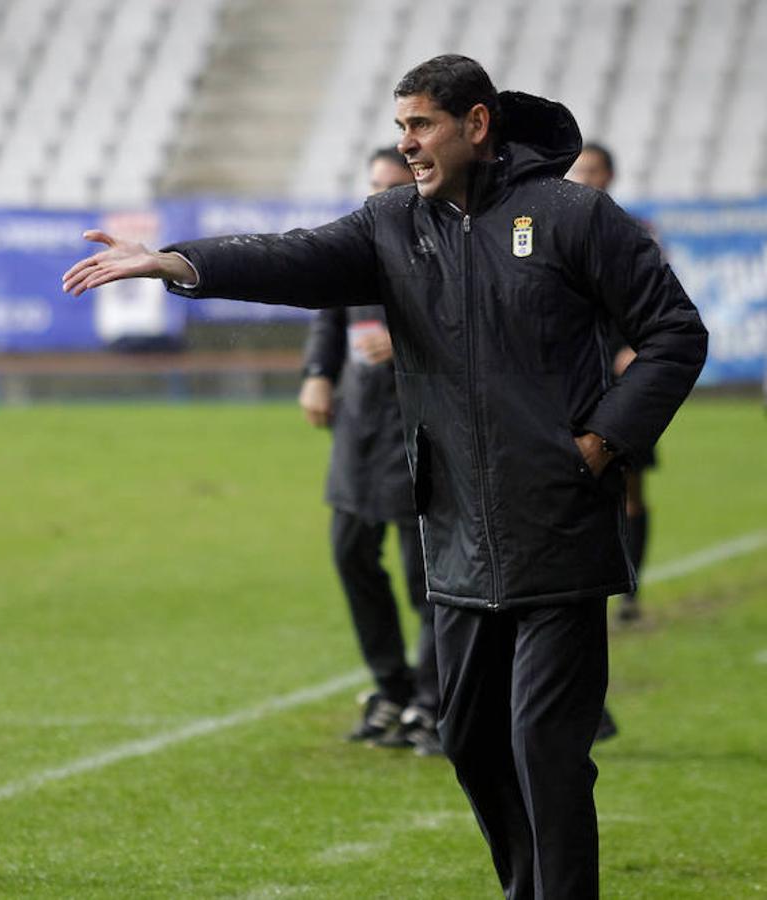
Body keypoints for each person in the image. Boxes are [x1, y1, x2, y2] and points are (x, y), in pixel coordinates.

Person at [63, 55, 707, 899]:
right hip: (458, 533)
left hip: (558, 529)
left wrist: (598, 444)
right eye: (400, 127)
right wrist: (177, 264)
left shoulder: (572, 215)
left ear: (476, 124)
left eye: (421, 126)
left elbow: (675, 334)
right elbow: (291, 259)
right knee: (471, 742)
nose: (406, 145)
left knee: (545, 749)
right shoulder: (392, 224)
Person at [298, 147, 440, 754]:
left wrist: (406, 337)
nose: (380, 195)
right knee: (351, 555)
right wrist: (316, 372)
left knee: (426, 577)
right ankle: (392, 686)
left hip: (421, 425)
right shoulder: (360, 241)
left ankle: (435, 703)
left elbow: (474, 324)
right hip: (360, 424)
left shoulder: (443, 244)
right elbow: (328, 312)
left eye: (391, 184)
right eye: (373, 185)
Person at [567, 142, 653, 624]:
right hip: (580, 376)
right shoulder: (561, 229)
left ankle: (630, 589)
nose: (584, 177)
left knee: (630, 486)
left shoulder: (631, 232)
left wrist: (634, 348)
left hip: (624, 379)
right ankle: (584, 586)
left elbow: (655, 302)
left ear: (610, 176)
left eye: (593, 170)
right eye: (578, 169)